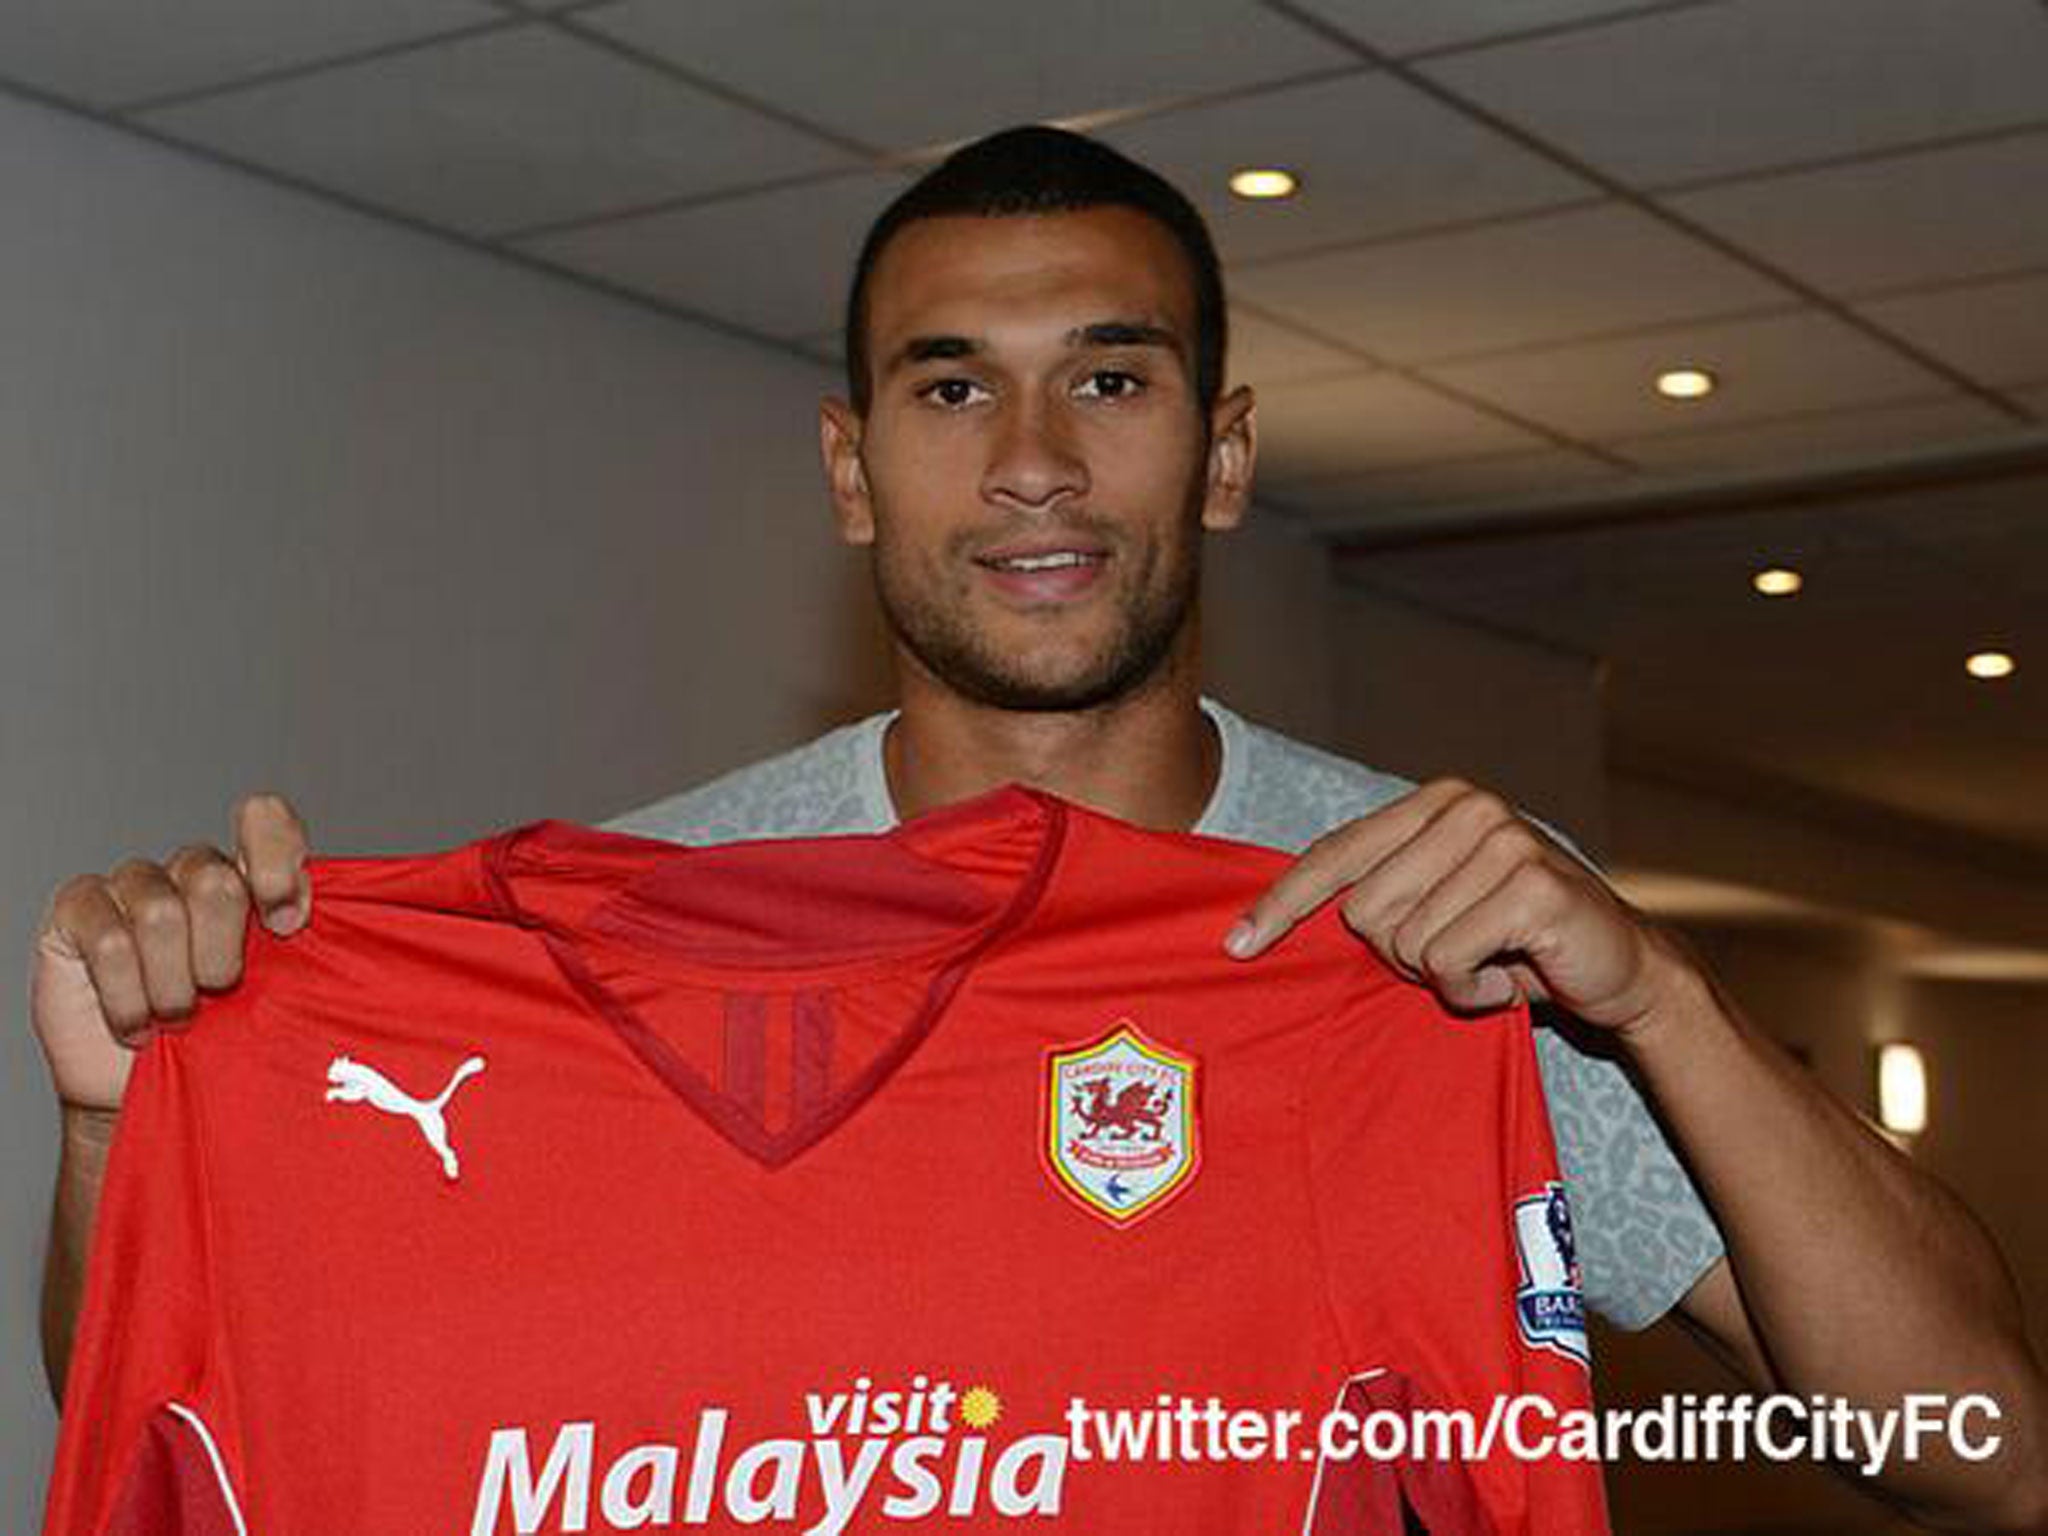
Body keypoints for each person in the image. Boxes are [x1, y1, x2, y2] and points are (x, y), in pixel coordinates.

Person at [30, 126, 2046, 1528]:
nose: (1031, 468)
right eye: (946, 392)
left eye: (1109, 377)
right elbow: (157, 1395)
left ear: (1224, 450)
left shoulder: (1436, 931)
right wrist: (130, 1130)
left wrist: (1665, 1003)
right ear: (850, 471)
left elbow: (1978, 1447)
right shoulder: (637, 927)